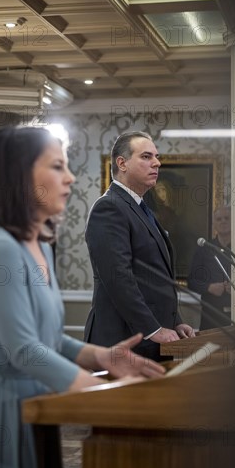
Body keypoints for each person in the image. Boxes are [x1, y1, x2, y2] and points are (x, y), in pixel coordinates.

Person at [0, 127, 166, 468]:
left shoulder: (39, 247)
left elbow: (48, 341)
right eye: (56, 167)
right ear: (19, 175)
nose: (69, 178)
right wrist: (102, 394)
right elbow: (23, 350)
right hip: (3, 414)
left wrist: (105, 357)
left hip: (38, 408)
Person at [84, 131, 195, 361]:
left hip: (152, 341)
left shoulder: (143, 209)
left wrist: (176, 321)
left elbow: (154, 278)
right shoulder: (110, 208)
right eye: (146, 156)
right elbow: (118, 278)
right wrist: (154, 329)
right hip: (124, 342)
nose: (157, 162)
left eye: (156, 156)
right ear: (122, 163)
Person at [188, 206, 232, 330]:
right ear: (214, 224)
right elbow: (191, 282)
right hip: (211, 315)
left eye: (227, 218)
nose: (223, 221)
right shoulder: (204, 248)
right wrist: (209, 287)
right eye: (219, 219)